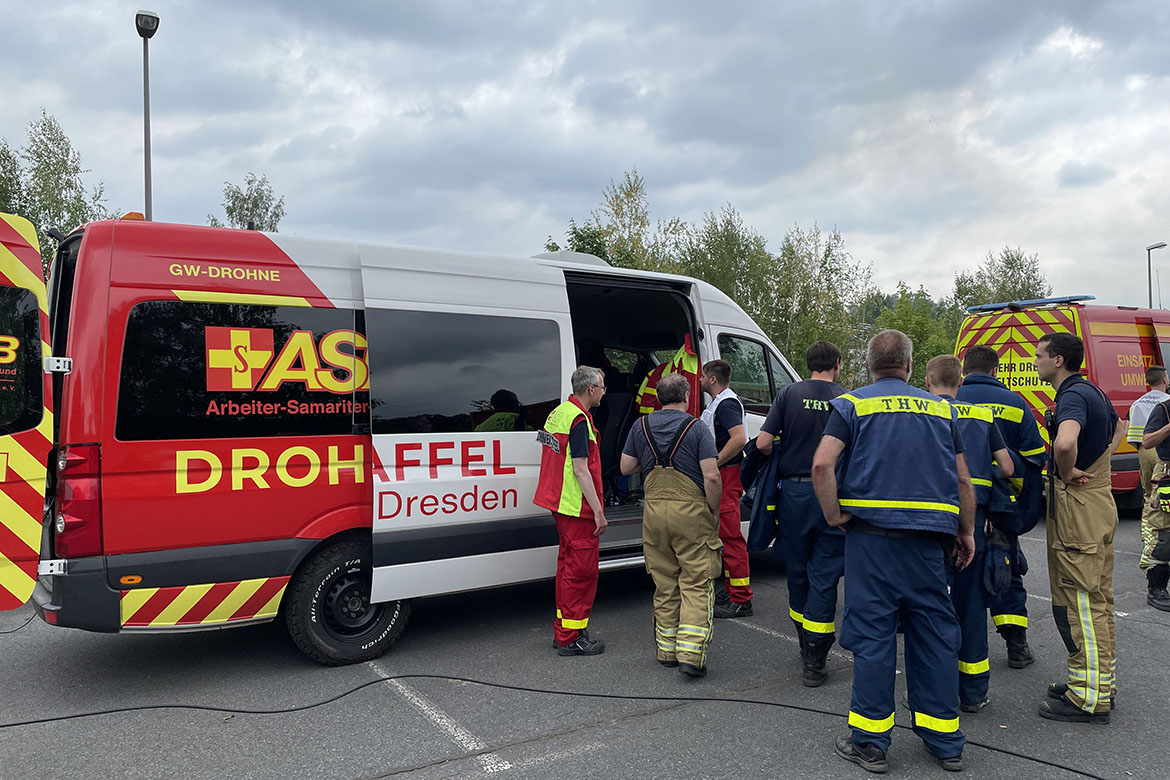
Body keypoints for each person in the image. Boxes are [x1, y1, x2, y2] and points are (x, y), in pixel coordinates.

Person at [812, 330, 974, 774]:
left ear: (869, 365)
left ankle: (870, 743)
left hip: (871, 541)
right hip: (928, 544)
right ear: (908, 364)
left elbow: (823, 463)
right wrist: (967, 532)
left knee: (873, 637)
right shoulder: (941, 409)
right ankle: (945, 742)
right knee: (936, 636)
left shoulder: (853, 405)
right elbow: (963, 480)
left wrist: (833, 515)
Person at [1034, 332, 1123, 724]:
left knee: (1080, 603)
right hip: (1099, 503)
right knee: (1099, 600)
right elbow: (1120, 431)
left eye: (1039, 356)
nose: (1035, 362)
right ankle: (1098, 683)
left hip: (1078, 510)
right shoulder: (1095, 392)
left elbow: (1065, 442)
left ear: (1057, 360)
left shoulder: (1070, 396)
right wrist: (1097, 463)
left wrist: (1067, 471)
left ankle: (1087, 700)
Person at [753, 340, 848, 686]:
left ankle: (803, 640)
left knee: (797, 569)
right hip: (832, 492)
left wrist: (785, 447)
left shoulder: (789, 394)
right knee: (825, 572)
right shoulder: (847, 398)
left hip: (792, 493)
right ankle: (815, 658)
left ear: (808, 363)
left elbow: (763, 443)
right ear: (837, 363)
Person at [926, 355, 1014, 714]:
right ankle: (974, 692)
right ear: (961, 382)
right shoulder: (981, 416)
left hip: (933, 519)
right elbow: (1007, 466)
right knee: (972, 605)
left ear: (928, 381)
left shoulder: (924, 412)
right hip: (973, 520)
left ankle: (937, 688)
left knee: (932, 605)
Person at [621, 372, 723, 677]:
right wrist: (713, 510)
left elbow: (626, 467)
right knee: (695, 579)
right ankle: (690, 655)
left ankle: (666, 650)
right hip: (691, 513)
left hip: (654, 511)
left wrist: (650, 456)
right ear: (687, 396)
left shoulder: (640, 426)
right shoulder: (697, 427)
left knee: (665, 581)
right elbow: (712, 475)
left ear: (656, 397)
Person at [957, 345, 1048, 667]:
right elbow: (1035, 456)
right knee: (1004, 568)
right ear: (995, 371)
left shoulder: (950, 400)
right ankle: (1016, 645)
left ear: (963, 369)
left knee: (954, 571)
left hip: (956, 502)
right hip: (1001, 505)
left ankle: (956, 645)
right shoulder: (1016, 403)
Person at [533, 366, 609, 656]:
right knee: (582, 573)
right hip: (577, 506)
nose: (603, 392)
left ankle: (565, 628)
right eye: (602, 387)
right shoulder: (579, 420)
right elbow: (580, 469)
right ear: (591, 389)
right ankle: (570, 637)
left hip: (559, 502)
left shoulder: (559, 413)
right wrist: (599, 511)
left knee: (567, 568)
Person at [699, 359, 753, 618]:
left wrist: (716, 462)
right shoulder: (720, 402)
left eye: (702, 376)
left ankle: (741, 598)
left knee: (730, 537)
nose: (699, 380)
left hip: (727, 474)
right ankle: (733, 589)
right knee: (724, 534)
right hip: (724, 474)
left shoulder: (727, 404)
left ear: (712, 378)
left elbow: (739, 438)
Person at [1127, 366, 1170, 610]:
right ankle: (1157, 587)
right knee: (1163, 532)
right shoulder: (1165, 407)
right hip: (1164, 466)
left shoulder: (1138, 403)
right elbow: (1146, 439)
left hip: (1145, 456)